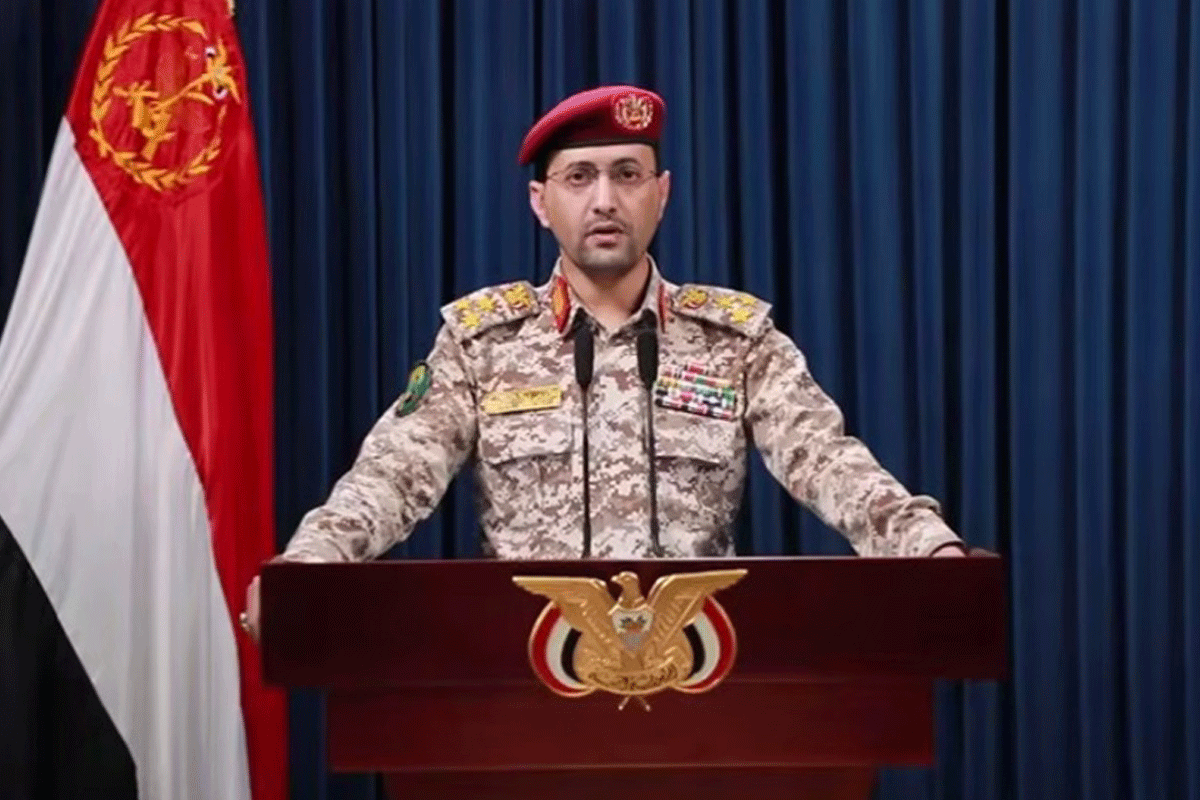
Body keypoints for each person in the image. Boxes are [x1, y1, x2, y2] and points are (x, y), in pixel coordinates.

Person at [240, 84, 964, 640]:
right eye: (579, 177)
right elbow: (392, 475)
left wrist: (930, 551)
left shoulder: (734, 340)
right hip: (524, 674)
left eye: (628, 174)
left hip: (699, 674)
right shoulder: (482, 343)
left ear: (662, 193)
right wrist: (308, 570)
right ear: (540, 202)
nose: (606, 200)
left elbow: (830, 462)